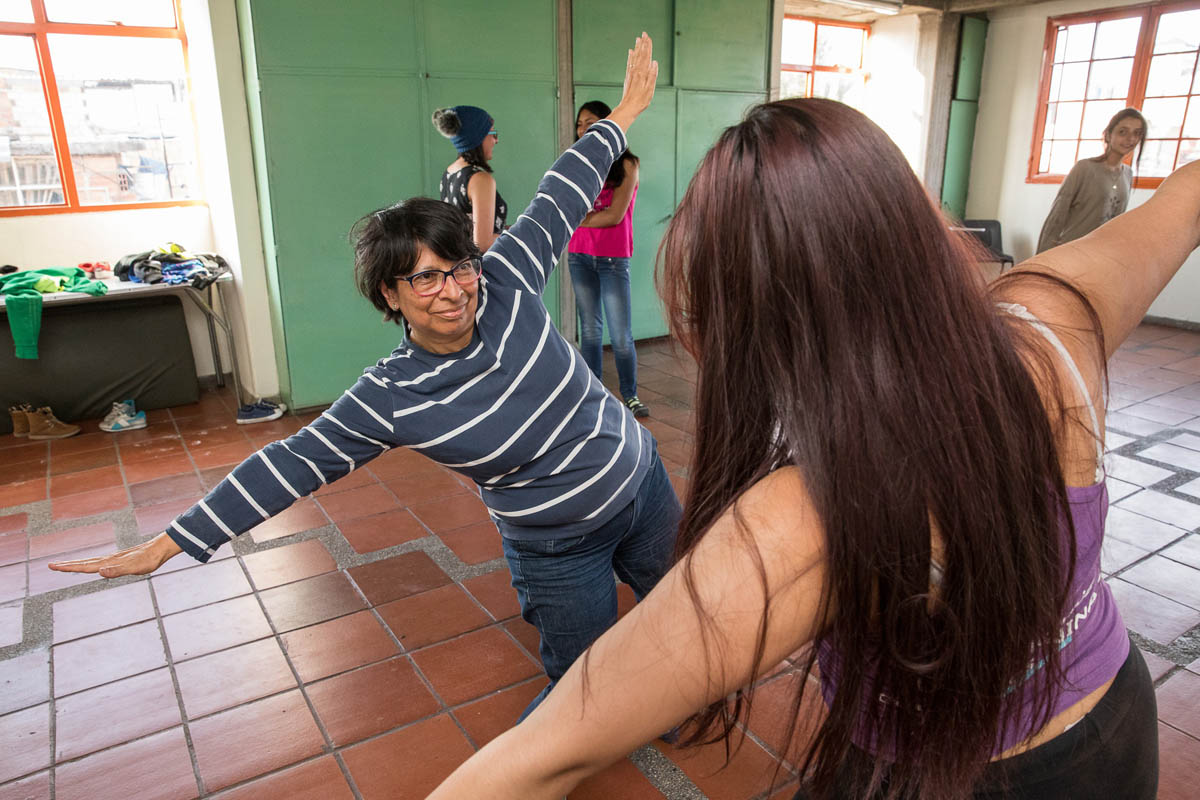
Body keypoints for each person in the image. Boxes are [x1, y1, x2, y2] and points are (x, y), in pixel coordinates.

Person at [429, 97, 1196, 799]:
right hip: (1117, 730)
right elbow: (1188, 192)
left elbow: (543, 756)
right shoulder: (1053, 317)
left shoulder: (806, 521)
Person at [51, 34, 673, 720]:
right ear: (389, 295)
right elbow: (289, 464)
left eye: (459, 266)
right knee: (580, 688)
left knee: (681, 613)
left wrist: (624, 114)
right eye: (426, 278)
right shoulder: (391, 395)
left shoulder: (507, 278)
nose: (455, 290)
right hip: (559, 543)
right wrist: (173, 543)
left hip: (644, 487)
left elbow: (563, 189)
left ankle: (685, 700)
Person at [567, 100, 649, 418]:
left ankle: (630, 395)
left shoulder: (628, 165)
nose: (583, 128)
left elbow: (614, 216)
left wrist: (579, 219)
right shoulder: (577, 163)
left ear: (608, 123)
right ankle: (594, 395)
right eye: (580, 123)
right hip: (579, 255)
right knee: (589, 330)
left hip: (613, 258)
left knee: (620, 335)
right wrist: (581, 217)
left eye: (591, 121)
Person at [1036, 107, 1146, 253]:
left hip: (1100, 256)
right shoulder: (1084, 168)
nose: (1130, 139)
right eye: (1122, 132)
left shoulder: (1128, 174)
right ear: (1108, 135)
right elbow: (1057, 215)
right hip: (1070, 252)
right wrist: (1041, 258)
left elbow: (1116, 223)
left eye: (1136, 133)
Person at [434, 104, 506, 250]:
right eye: (493, 133)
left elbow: (469, 232)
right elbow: (482, 243)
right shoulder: (480, 179)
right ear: (477, 136)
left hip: (463, 266)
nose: (495, 140)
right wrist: (524, 235)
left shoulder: (449, 173)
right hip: (485, 268)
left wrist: (508, 230)